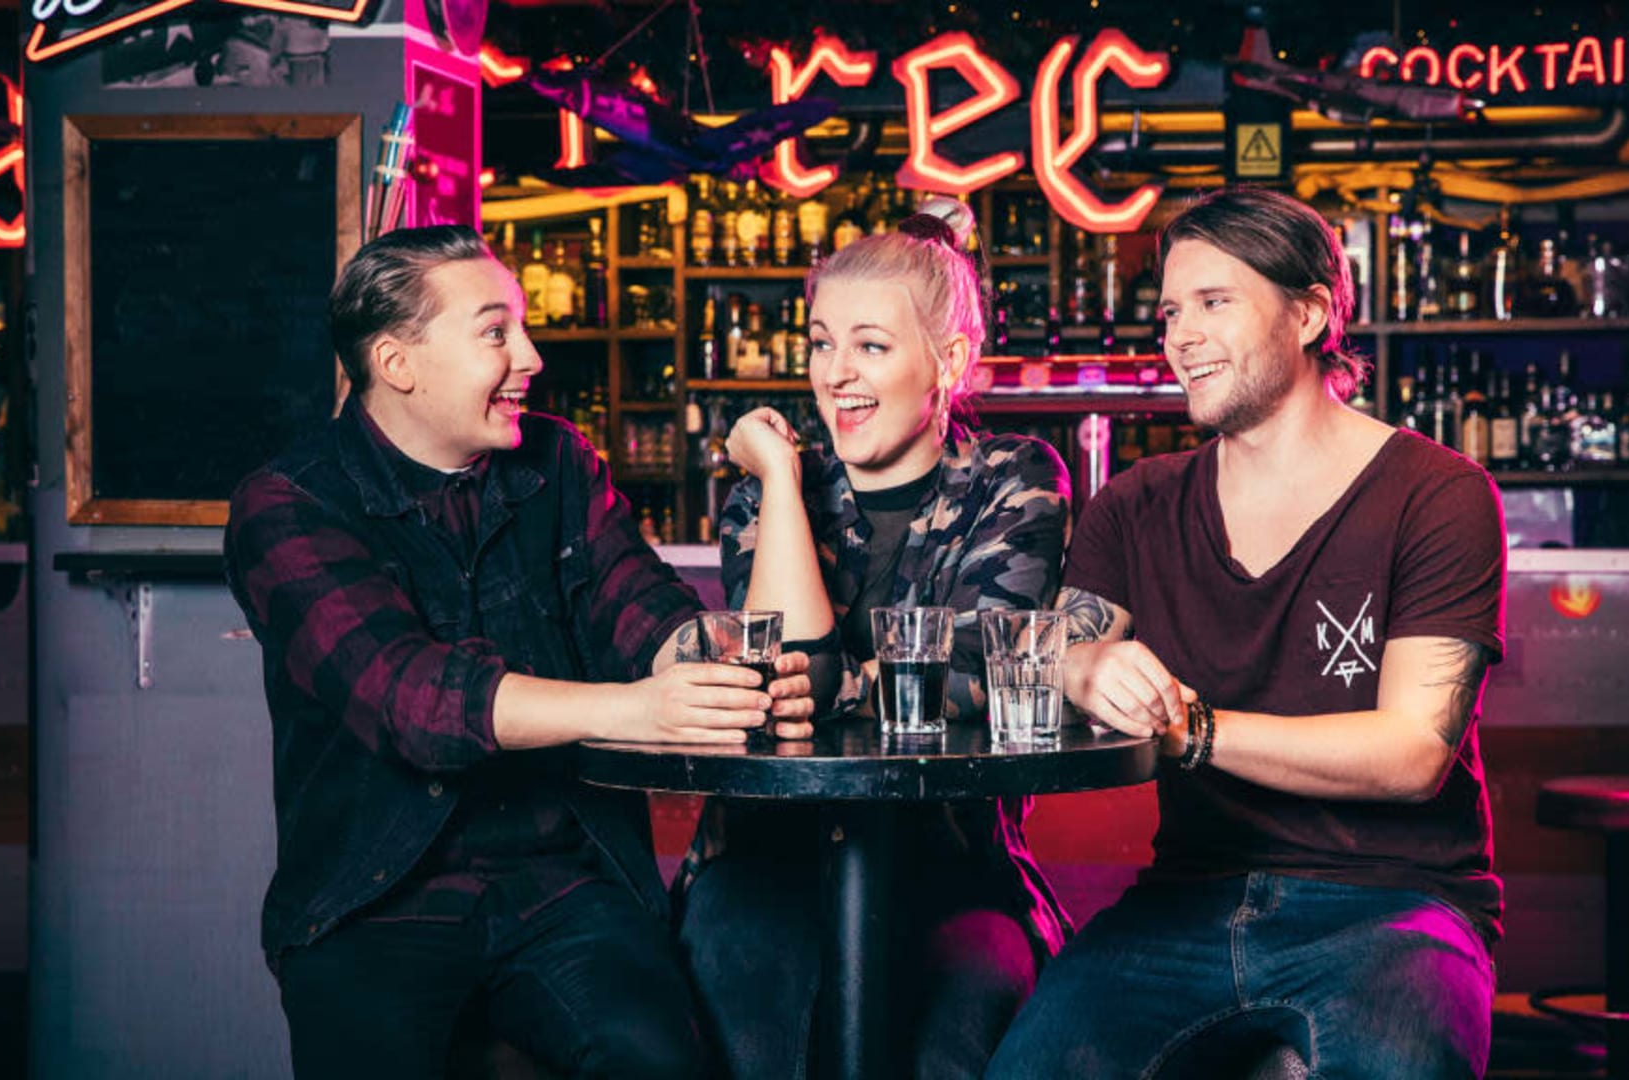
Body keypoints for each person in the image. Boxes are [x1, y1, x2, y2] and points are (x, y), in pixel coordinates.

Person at [224, 225, 812, 1079]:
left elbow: (643, 610)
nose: (531, 358)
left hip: (561, 879)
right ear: (397, 363)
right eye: (496, 332)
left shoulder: (557, 460)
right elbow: (409, 698)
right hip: (375, 898)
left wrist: (719, 670)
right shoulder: (288, 503)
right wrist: (641, 710)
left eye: (523, 327)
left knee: (660, 1062)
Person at [988, 187, 1504, 1080]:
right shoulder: (1137, 505)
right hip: (1189, 898)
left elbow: (1412, 753)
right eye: (1169, 313)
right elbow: (1047, 649)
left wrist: (1194, 730)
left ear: (1310, 314)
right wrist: (1085, 665)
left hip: (1396, 905)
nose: (1180, 337)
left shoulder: (1437, 494)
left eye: (1214, 302)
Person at [675, 198, 1074, 1079]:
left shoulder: (1013, 481)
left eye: (871, 346)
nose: (836, 375)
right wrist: (782, 479)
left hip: (952, 864)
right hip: (765, 858)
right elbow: (782, 679)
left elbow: (976, 675)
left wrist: (833, 685)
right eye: (821, 343)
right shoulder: (766, 494)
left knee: (957, 1035)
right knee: (755, 1031)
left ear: (949, 361)